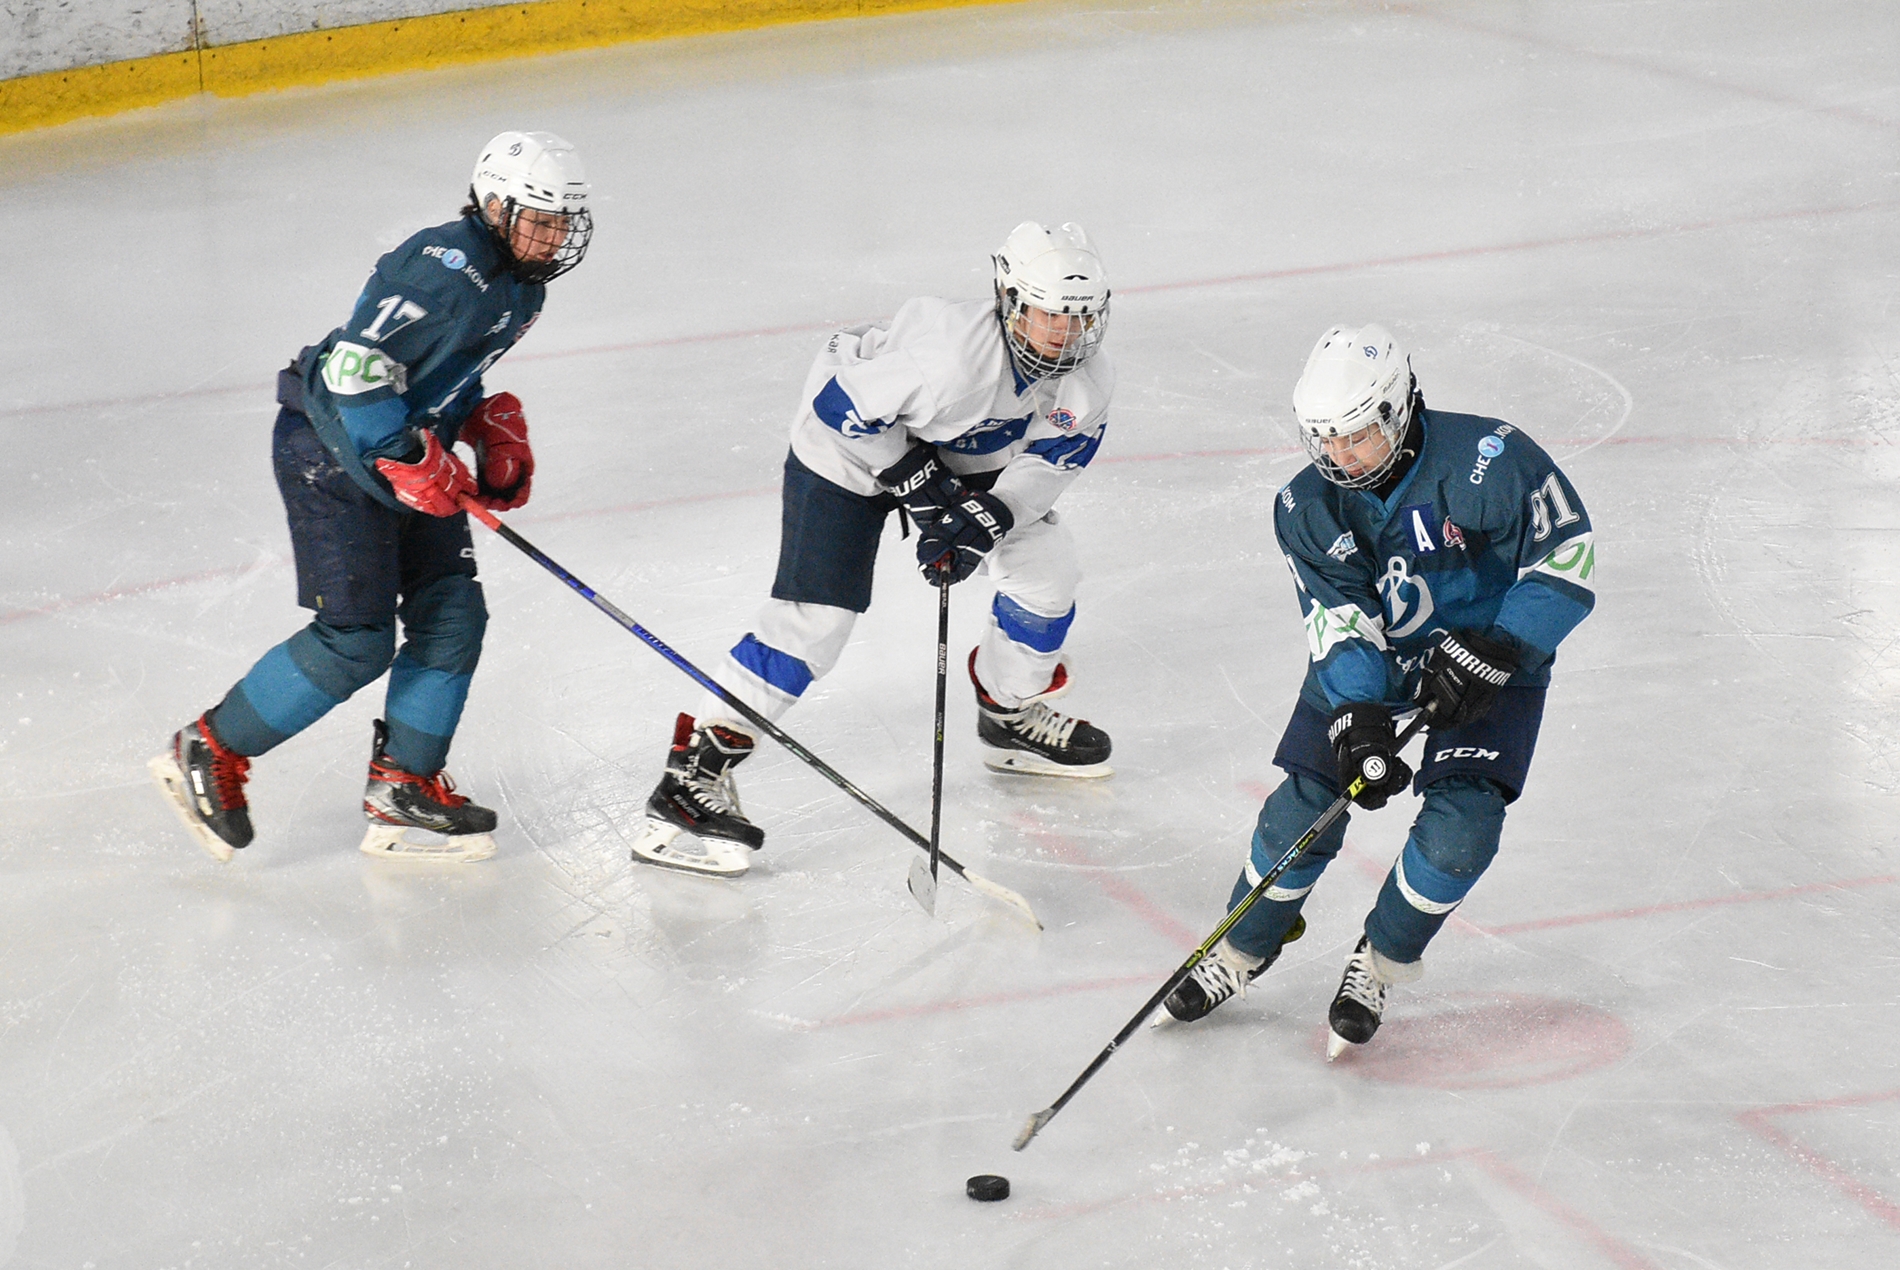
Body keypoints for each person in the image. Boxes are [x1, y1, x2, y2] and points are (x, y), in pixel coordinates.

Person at [148, 131, 593, 863]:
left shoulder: (523, 285)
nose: (550, 239)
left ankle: (402, 787)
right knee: (356, 641)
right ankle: (208, 748)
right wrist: (405, 457)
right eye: (537, 219)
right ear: (491, 204)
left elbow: (440, 367)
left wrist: (480, 422)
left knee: (452, 616)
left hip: (404, 452)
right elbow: (356, 368)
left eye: (561, 224)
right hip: (332, 451)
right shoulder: (443, 268)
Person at [1159, 324, 1595, 1057]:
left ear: (1399, 410)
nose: (1339, 457)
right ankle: (1241, 948)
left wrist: (1501, 643)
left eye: (1356, 436)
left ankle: (1382, 957)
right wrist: (1358, 713)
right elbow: (1336, 617)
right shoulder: (1306, 506)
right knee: (1307, 802)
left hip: (1492, 662)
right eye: (1323, 440)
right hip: (1382, 666)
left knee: (1462, 833)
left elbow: (1570, 557)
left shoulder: (1490, 458)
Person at [630, 222, 1115, 877]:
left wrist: (990, 515)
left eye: (1081, 319)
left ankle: (1009, 713)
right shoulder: (949, 360)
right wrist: (915, 482)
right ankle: (693, 776)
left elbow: (1053, 460)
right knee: (817, 619)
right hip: (849, 452)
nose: (1067, 336)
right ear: (1008, 300)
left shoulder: (1088, 381)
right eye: (1050, 317)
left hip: (964, 454)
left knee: (1047, 571)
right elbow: (843, 407)